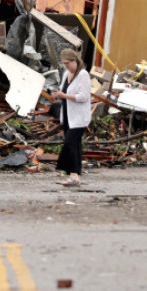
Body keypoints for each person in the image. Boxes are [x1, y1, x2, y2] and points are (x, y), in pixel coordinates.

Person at [51, 48, 91, 187]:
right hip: (68, 115)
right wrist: (58, 94)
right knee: (75, 145)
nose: (66, 66)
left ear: (75, 61)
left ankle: (73, 175)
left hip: (79, 117)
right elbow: (63, 89)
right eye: (64, 63)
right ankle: (75, 177)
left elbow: (84, 97)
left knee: (70, 143)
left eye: (68, 63)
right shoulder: (66, 74)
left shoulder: (83, 75)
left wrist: (65, 96)